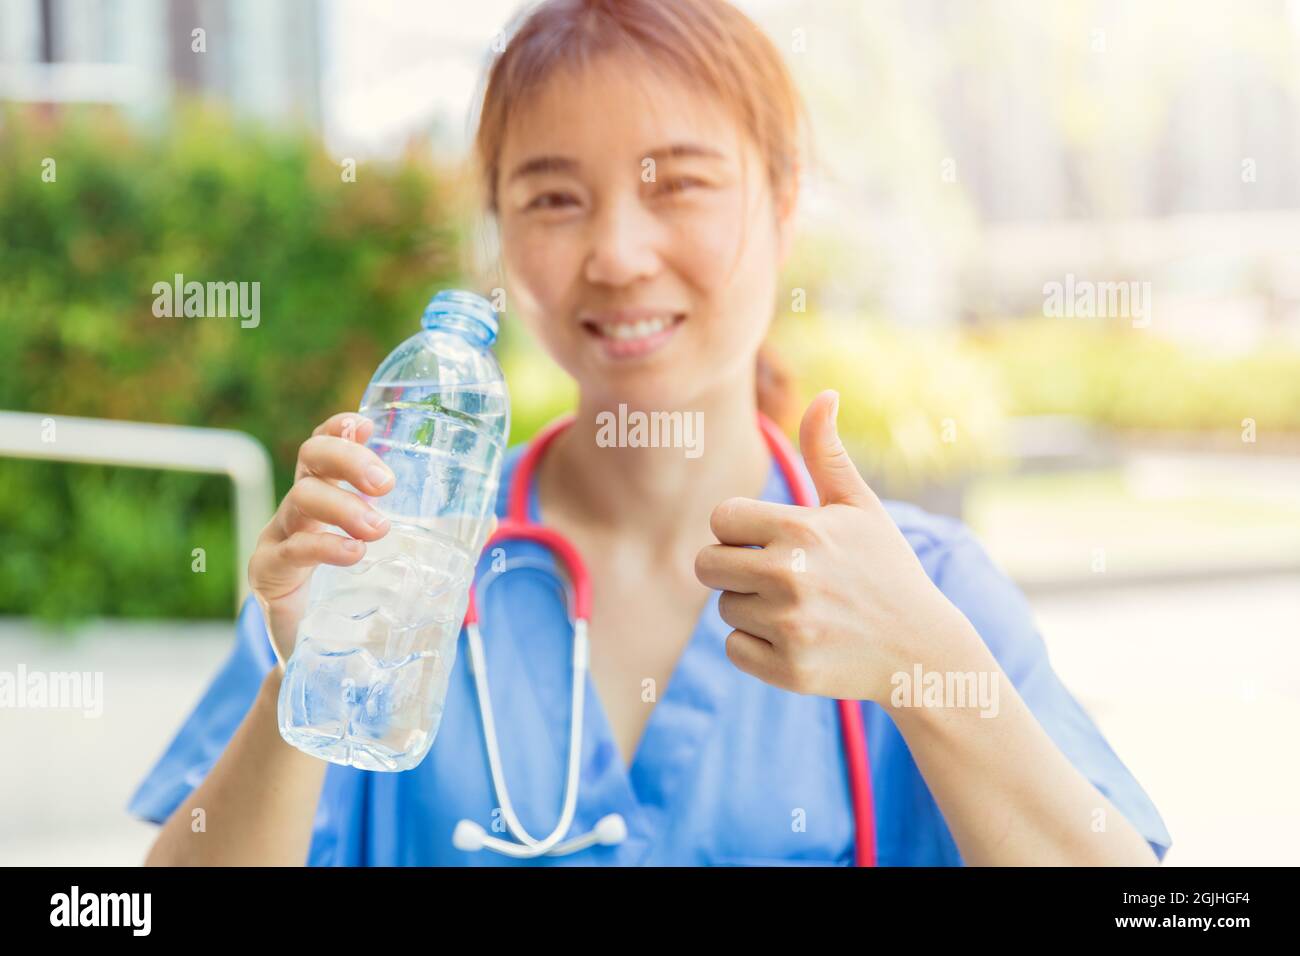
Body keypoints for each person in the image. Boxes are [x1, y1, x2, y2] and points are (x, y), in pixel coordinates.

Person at [129, 0, 1171, 866]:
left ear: (782, 201)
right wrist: (304, 683)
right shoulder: (383, 570)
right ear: (498, 230)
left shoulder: (929, 586)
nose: (618, 254)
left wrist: (926, 669)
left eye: (676, 182)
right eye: (553, 197)